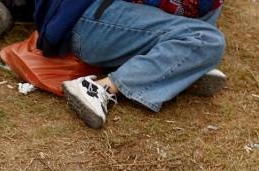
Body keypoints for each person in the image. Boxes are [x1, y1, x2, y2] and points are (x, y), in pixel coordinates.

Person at [33, 0, 227, 129]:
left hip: (97, 18)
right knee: (206, 38)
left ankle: (179, 63)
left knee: (209, 12)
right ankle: (98, 88)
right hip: (87, 20)